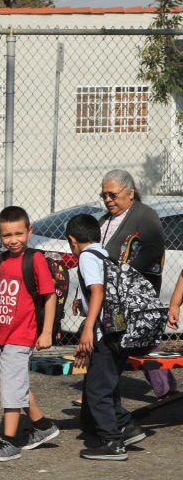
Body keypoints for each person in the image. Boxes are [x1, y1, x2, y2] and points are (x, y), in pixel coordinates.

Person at [67, 214, 148, 461]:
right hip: (118, 331)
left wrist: (88, 328)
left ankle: (112, 442)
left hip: (104, 333)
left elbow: (98, 291)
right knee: (107, 385)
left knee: (96, 391)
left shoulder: (87, 257)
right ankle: (127, 426)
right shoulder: (105, 255)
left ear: (72, 240)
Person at [0, 206, 60, 463]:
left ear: (30, 231)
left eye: (18, 233)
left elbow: (49, 296)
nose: (13, 239)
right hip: (3, 335)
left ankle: (10, 441)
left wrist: (46, 331)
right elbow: (4, 297)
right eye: (7, 235)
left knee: (11, 387)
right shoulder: (2, 260)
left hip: (22, 334)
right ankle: (44, 426)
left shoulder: (35, 259)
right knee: (17, 384)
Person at [94, 169, 176, 401]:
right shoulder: (104, 220)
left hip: (136, 294)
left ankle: (165, 389)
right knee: (115, 339)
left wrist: (125, 275)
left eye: (112, 194)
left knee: (140, 339)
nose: (108, 200)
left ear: (130, 193)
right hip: (110, 295)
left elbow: (153, 248)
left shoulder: (144, 214)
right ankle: (99, 388)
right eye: (104, 196)